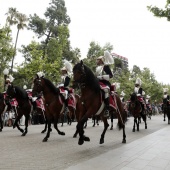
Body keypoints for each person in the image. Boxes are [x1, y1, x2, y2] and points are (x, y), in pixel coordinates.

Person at [96, 51, 114, 117]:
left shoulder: (106, 67)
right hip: (98, 82)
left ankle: (107, 108)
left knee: (105, 90)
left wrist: (101, 77)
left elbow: (111, 75)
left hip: (105, 83)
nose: (97, 61)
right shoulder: (97, 68)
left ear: (102, 61)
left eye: (98, 60)